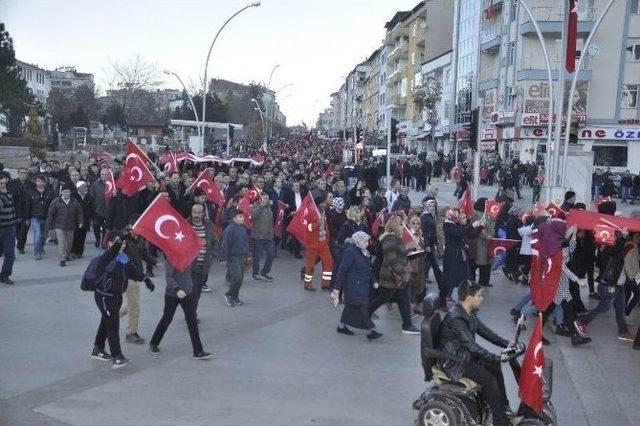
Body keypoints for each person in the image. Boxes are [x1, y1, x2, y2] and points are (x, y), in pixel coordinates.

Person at [438, 280, 514, 426]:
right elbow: (471, 345)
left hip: (464, 355)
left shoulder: (469, 313)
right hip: (456, 362)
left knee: (494, 367)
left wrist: (507, 343)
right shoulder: (456, 318)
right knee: (489, 379)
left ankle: (502, 408)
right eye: (479, 296)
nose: (482, 299)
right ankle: (500, 422)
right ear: (469, 297)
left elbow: (485, 332)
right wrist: (497, 356)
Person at [92, 236, 154, 369]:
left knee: (106, 321)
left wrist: (145, 279)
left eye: (122, 245)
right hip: (104, 297)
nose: (121, 247)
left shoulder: (123, 258)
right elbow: (110, 254)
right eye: (118, 245)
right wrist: (117, 244)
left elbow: (133, 271)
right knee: (113, 325)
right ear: (111, 244)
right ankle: (117, 357)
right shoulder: (105, 258)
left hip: (115, 297)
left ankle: (98, 349)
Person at [148, 257, 213, 360]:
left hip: (187, 293)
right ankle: (154, 342)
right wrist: (177, 289)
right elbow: (169, 277)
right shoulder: (171, 259)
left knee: (192, 321)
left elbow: (192, 272)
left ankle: (198, 351)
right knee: (167, 318)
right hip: (172, 295)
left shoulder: (189, 258)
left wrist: (192, 284)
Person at [369, 216, 420, 335]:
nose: (403, 227)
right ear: (394, 226)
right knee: (382, 298)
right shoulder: (390, 239)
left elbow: (399, 253)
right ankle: (364, 314)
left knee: (404, 299)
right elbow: (391, 260)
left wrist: (412, 245)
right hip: (391, 277)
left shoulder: (396, 238)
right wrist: (404, 274)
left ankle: (407, 325)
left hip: (398, 277)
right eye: (401, 225)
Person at [331, 231, 382, 340]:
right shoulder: (351, 252)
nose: (367, 243)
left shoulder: (363, 252)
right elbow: (342, 270)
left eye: (367, 241)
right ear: (358, 241)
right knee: (363, 308)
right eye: (365, 241)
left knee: (350, 307)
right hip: (353, 286)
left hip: (361, 285)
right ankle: (371, 330)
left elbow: (368, 269)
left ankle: (341, 326)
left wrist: (373, 281)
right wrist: (337, 289)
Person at [189, 203, 219, 312]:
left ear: (202, 214)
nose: (196, 215)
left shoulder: (209, 225)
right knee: (192, 292)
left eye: (199, 213)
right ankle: (192, 315)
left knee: (197, 292)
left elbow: (215, 241)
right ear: (191, 213)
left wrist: (212, 254)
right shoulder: (186, 225)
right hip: (190, 266)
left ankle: (191, 312)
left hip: (204, 266)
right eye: (194, 212)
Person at [46, 183, 83, 267]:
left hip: (71, 225)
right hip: (59, 225)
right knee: (62, 242)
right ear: (61, 192)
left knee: (69, 242)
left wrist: (80, 221)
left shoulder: (74, 201)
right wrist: (49, 226)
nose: (67, 193)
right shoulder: (56, 201)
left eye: (68, 192)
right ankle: (62, 259)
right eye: (65, 192)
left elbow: (79, 212)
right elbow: (50, 214)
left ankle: (67, 254)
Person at [220, 208, 249, 307]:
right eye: (240, 217)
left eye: (243, 217)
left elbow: (246, 243)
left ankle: (235, 298)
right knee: (237, 277)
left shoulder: (243, 228)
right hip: (233, 258)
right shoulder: (229, 230)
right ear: (234, 218)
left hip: (242, 257)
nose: (242, 219)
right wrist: (223, 258)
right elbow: (225, 244)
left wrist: (247, 255)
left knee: (240, 279)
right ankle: (229, 295)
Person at [26, 174, 54, 260]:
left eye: (42, 181)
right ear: (35, 182)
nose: (40, 183)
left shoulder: (49, 192)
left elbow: (52, 206)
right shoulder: (31, 192)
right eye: (38, 181)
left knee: (44, 236)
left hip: (46, 217)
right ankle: (37, 252)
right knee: (37, 235)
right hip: (35, 217)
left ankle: (41, 247)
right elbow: (28, 206)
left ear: (45, 182)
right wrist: (27, 218)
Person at [250, 192, 275, 281]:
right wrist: (261, 206)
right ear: (260, 199)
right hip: (258, 236)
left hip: (268, 236)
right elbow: (253, 216)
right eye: (265, 198)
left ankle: (264, 272)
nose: (267, 200)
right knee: (257, 256)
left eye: (268, 198)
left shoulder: (269, 208)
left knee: (271, 254)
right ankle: (255, 273)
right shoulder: (256, 206)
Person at [0, 172, 17, 284]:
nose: (3, 184)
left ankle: (5, 275)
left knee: (10, 254)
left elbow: (12, 208)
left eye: (4, 182)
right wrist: (3, 195)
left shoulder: (9, 193)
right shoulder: (6, 195)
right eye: (0, 182)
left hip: (9, 228)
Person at [71, 181, 94, 258]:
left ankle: (80, 252)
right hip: (75, 220)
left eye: (86, 187)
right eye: (83, 187)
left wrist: (93, 219)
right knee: (75, 236)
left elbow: (92, 209)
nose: (85, 189)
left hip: (85, 220)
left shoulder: (89, 197)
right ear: (78, 188)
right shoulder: (73, 196)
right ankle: (73, 251)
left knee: (82, 236)